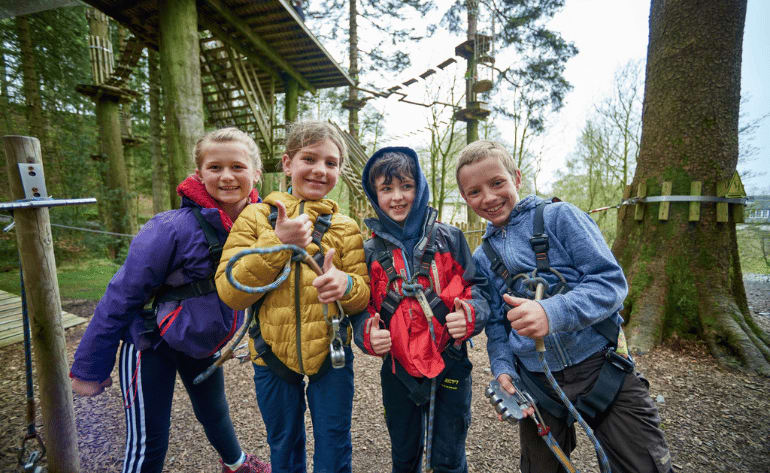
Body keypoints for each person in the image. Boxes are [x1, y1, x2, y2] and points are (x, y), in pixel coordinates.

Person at [455, 140, 673, 473]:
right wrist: (502, 368)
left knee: (642, 464)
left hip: (601, 366)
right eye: (474, 192)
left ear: (517, 177)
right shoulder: (483, 258)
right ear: (465, 199)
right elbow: (498, 324)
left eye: (497, 183)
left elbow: (610, 283)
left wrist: (550, 312)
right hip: (537, 383)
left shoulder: (561, 218)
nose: (488, 197)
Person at [70, 128, 271, 473]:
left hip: (202, 339)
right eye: (214, 167)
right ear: (199, 174)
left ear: (256, 174)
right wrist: (90, 367)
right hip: (150, 341)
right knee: (149, 439)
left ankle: (236, 464)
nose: (226, 176)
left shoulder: (264, 227)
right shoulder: (169, 228)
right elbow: (120, 295)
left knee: (215, 410)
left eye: (237, 166)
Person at [215, 120, 370, 473]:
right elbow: (230, 292)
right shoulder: (256, 217)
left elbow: (361, 296)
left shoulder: (345, 227)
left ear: (340, 171)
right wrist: (278, 243)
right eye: (309, 159)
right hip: (269, 351)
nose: (319, 170)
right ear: (287, 163)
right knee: (283, 444)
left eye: (331, 163)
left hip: (332, 354)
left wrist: (345, 285)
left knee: (334, 442)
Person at [352, 147, 489, 473]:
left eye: (406, 187)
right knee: (405, 456)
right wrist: (366, 334)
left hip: (450, 365)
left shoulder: (451, 239)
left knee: (449, 456)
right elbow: (360, 309)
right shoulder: (369, 252)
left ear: (421, 188)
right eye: (387, 189)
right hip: (398, 372)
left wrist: (471, 314)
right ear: (375, 194)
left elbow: (478, 289)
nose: (397, 197)